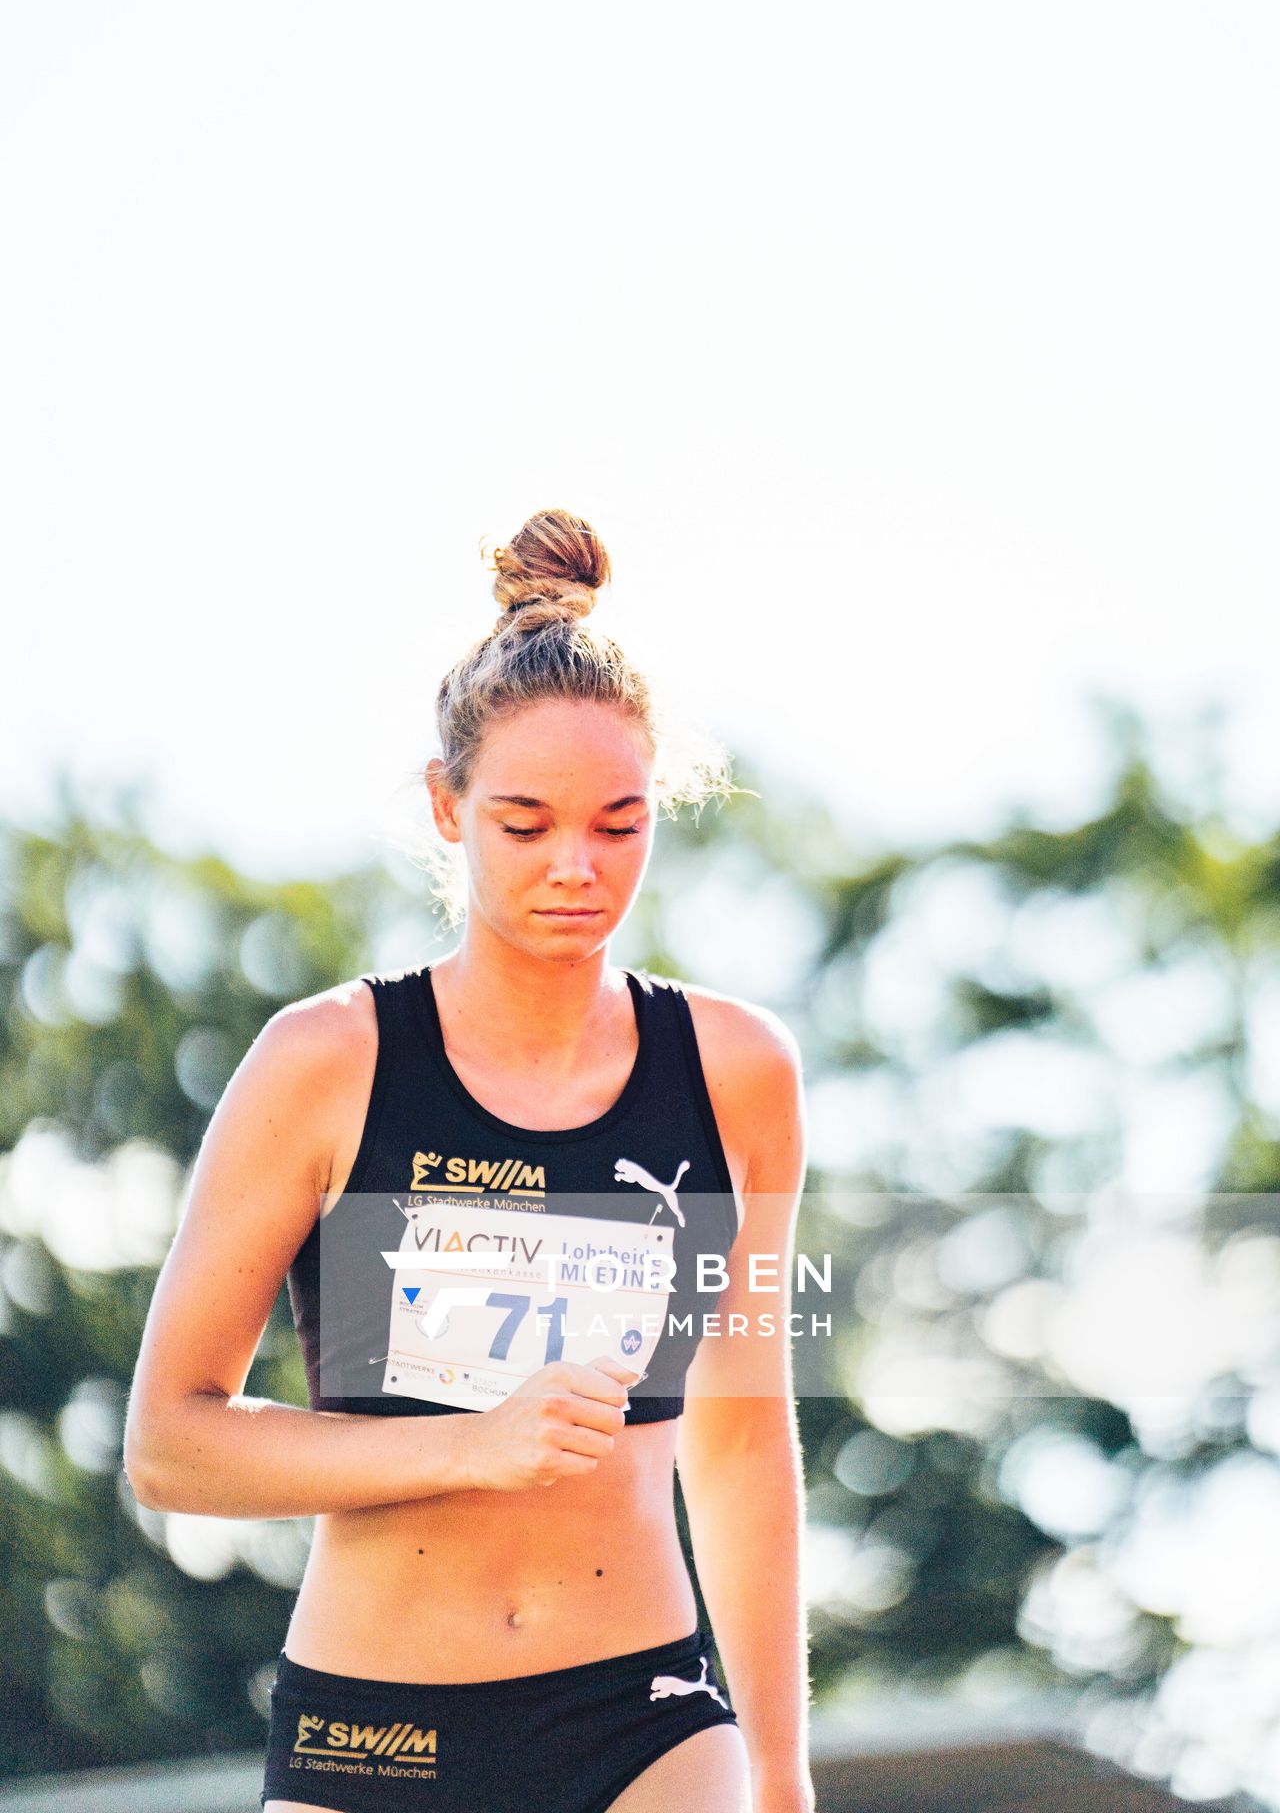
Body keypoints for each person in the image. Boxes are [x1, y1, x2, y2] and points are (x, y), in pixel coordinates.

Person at [124, 510, 815, 1813]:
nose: (576, 868)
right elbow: (172, 1446)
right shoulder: (323, 1063)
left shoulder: (739, 1074)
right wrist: (468, 1446)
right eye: (525, 823)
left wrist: (780, 1777)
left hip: (649, 1724)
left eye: (618, 825)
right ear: (447, 808)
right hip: (372, 1740)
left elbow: (738, 1438)